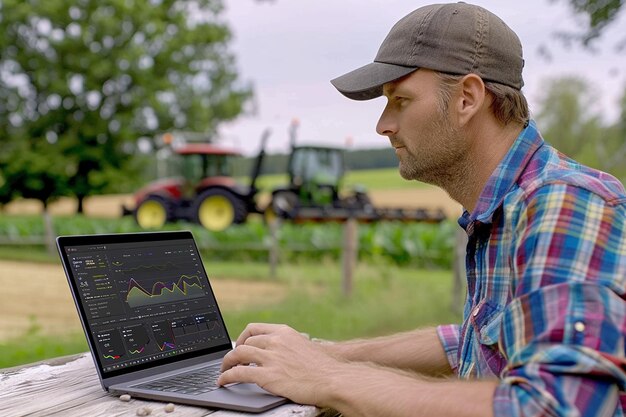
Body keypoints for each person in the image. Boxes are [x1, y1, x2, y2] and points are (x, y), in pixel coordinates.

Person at [217, 2, 626, 416]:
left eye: (400, 99)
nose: (383, 124)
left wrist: (328, 377)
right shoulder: (504, 210)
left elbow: (558, 406)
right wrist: (329, 353)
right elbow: (469, 341)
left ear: (467, 98)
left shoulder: (564, 204)